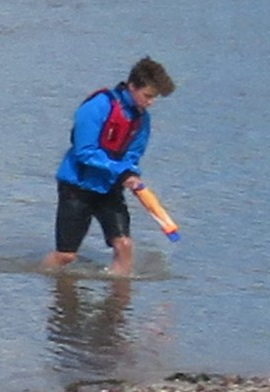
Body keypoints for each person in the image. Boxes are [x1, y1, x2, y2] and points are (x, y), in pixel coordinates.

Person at [44, 56, 175, 276]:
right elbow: (84, 151)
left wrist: (131, 174)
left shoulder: (142, 120)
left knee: (124, 246)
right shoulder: (97, 106)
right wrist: (121, 171)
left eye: (154, 98)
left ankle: (119, 303)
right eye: (148, 96)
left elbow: (133, 154)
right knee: (66, 255)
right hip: (77, 186)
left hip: (109, 189)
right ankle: (44, 279)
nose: (151, 102)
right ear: (132, 86)